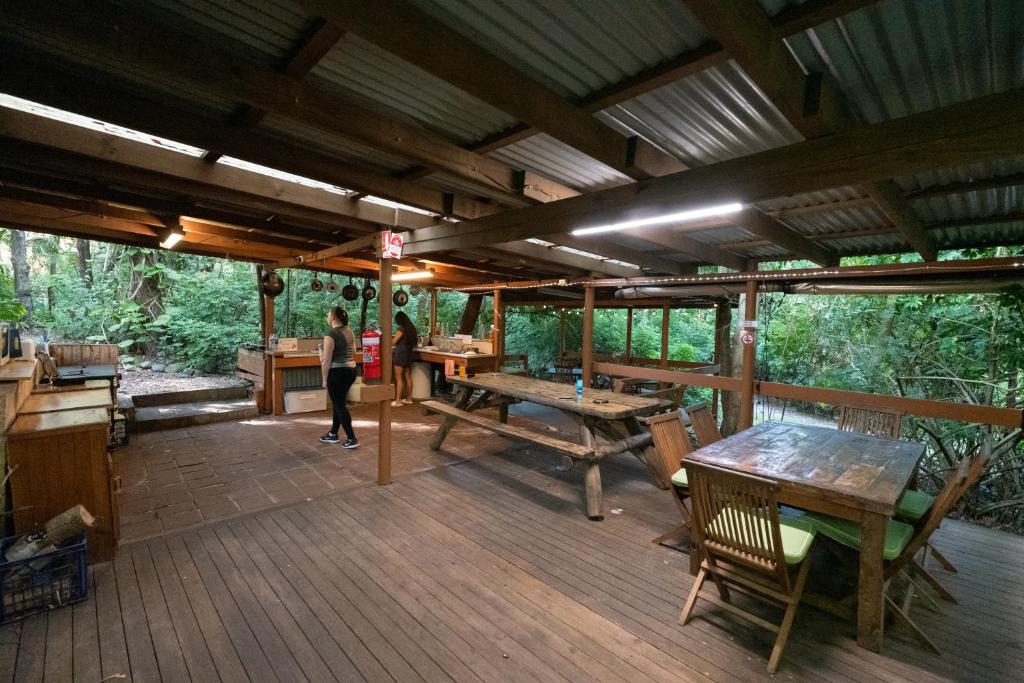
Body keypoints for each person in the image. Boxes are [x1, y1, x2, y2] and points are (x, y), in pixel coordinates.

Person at [319, 306, 358, 447]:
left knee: (340, 405)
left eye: (329, 314)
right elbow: (353, 350)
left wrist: (324, 379)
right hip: (351, 370)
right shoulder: (350, 331)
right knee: (338, 402)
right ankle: (333, 433)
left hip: (337, 373)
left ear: (334, 318)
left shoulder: (331, 334)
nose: (327, 317)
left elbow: (326, 360)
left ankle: (351, 438)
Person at [391, 311, 418, 407]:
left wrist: (387, 340)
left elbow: (394, 341)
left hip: (401, 354)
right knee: (408, 376)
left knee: (398, 378)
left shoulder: (401, 328)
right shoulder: (411, 328)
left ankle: (398, 400)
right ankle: (409, 398)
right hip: (409, 354)